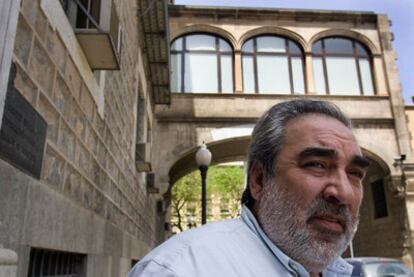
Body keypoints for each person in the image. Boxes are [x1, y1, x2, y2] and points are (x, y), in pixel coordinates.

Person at [128, 99, 370, 277]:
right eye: (316, 165)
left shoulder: (337, 271)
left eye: (355, 174)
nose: (343, 193)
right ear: (258, 181)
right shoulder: (180, 270)